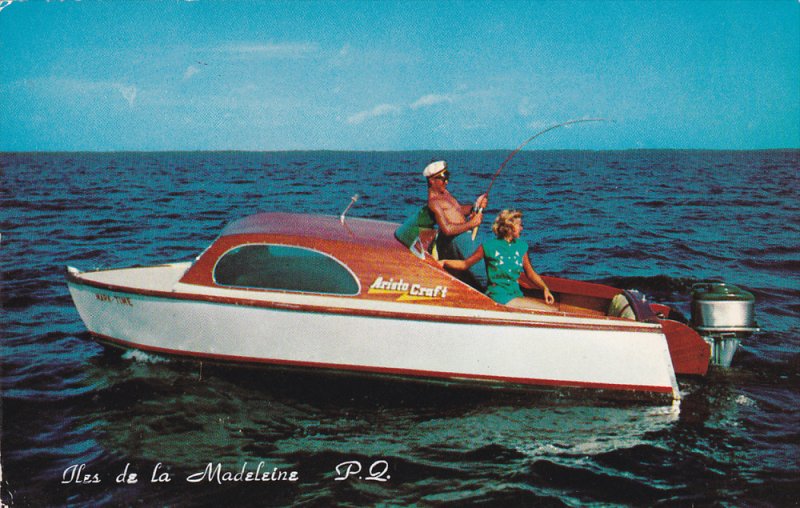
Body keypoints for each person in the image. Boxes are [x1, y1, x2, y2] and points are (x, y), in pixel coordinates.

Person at [439, 209, 555, 309]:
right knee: (550, 311)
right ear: (510, 228)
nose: (522, 228)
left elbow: (530, 273)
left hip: (516, 294)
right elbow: (465, 264)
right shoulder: (489, 246)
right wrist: (444, 262)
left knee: (548, 309)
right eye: (519, 225)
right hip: (499, 295)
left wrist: (544, 288)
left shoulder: (521, 247)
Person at [424, 160, 488, 289]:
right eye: (443, 179)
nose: (446, 182)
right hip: (456, 239)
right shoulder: (434, 202)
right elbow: (447, 229)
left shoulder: (445, 194)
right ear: (432, 180)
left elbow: (458, 210)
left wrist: (475, 206)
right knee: (482, 272)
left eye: (447, 177)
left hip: (465, 235)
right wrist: (471, 224)